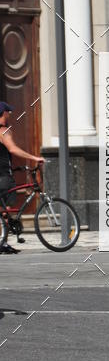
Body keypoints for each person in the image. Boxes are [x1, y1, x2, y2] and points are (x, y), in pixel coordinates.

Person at [0, 101, 46, 253]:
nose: (10, 114)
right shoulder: (4, 131)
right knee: (5, 211)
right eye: (8, 111)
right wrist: (34, 158)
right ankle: (3, 243)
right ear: (3, 113)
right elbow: (13, 149)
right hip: (3, 176)